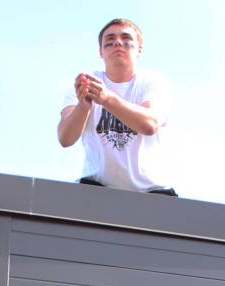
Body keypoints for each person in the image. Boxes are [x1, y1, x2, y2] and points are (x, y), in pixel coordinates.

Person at [58, 18, 177, 195]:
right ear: (100, 51)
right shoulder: (86, 85)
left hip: (153, 193)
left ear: (139, 50)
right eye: (110, 40)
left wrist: (107, 99)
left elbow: (150, 124)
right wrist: (83, 107)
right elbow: (65, 138)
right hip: (97, 189)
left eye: (126, 39)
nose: (118, 43)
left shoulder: (152, 83)